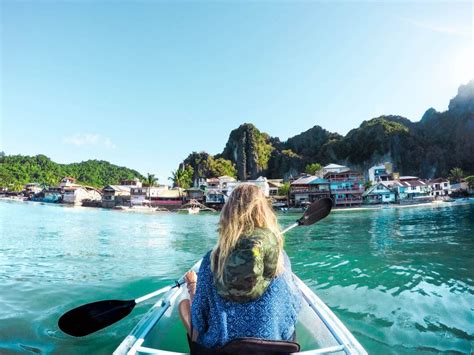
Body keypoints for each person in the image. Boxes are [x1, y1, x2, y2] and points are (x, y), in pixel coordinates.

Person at [178, 183, 301, 352]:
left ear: (227, 217)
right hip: (272, 350)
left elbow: (199, 318)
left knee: (183, 305)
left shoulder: (212, 260)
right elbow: (294, 307)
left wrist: (192, 286)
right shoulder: (281, 258)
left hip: (221, 350)